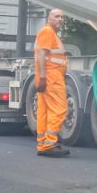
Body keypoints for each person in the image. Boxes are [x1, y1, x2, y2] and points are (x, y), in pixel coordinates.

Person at [34, 9, 70, 157]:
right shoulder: (48, 32)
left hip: (49, 76)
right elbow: (41, 54)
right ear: (49, 19)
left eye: (62, 17)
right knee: (59, 109)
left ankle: (43, 144)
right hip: (51, 76)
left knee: (45, 111)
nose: (60, 19)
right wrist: (43, 77)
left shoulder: (51, 34)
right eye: (56, 16)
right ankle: (50, 143)